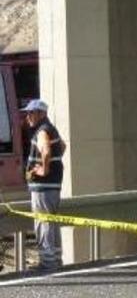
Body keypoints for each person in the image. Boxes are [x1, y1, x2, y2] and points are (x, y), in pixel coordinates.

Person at [22, 99, 65, 272]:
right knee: (52, 222)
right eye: (28, 112)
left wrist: (43, 170)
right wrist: (54, 164)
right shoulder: (50, 129)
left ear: (42, 114)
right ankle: (55, 260)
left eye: (32, 112)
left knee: (43, 222)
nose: (28, 116)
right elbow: (62, 146)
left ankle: (47, 263)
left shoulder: (42, 131)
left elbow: (46, 150)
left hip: (43, 187)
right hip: (53, 186)